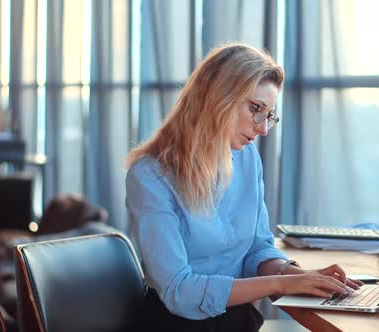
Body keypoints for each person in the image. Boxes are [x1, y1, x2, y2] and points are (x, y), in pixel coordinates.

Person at [125, 43, 362, 332]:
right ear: (217, 98)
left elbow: (257, 248)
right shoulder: (150, 175)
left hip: (234, 320)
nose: (263, 129)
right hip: (175, 325)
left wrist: (296, 273)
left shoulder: (247, 158)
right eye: (255, 109)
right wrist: (281, 283)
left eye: (269, 115)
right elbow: (179, 290)